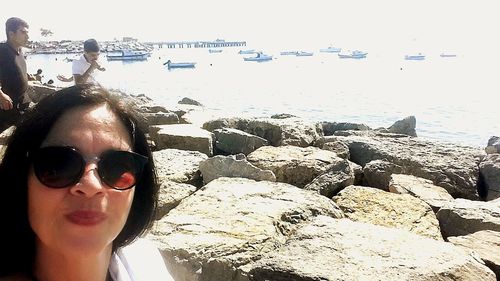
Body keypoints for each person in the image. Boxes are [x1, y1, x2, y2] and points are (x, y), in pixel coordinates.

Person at [0, 84, 174, 281]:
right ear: (21, 181)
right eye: (58, 165)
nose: (92, 186)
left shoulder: (145, 263)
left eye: (117, 167)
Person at [0, 17, 31, 132]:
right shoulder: (2, 50)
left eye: (27, 32)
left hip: (23, 103)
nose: (27, 36)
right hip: (7, 106)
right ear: (11, 34)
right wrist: (0, 95)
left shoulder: (20, 51)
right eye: (23, 32)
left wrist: (26, 75)